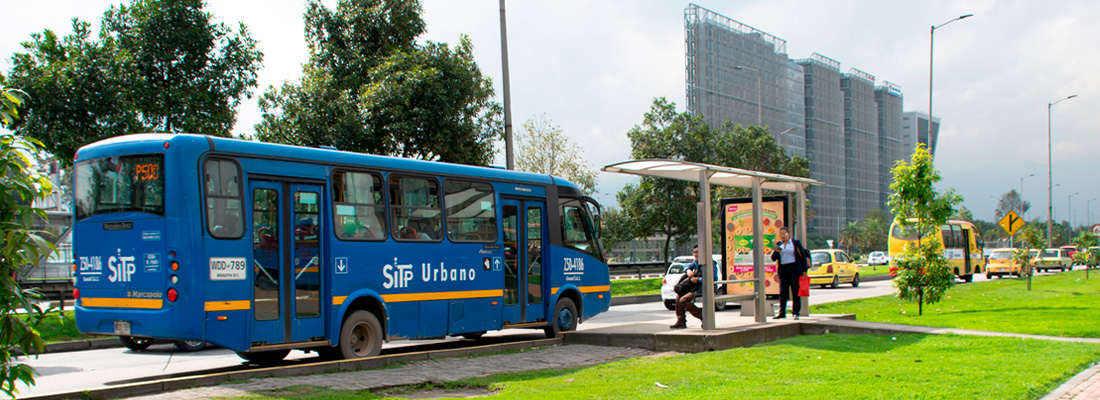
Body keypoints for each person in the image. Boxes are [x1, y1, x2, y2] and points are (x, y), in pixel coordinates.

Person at [670, 244, 716, 329]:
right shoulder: (696, 263)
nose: (695, 254)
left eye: (698, 252)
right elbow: (687, 267)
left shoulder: (710, 264)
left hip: (704, 289)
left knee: (683, 300)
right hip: (694, 288)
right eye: (694, 252)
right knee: (678, 297)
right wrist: (688, 271)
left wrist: (698, 280)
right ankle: (681, 321)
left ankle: (703, 316)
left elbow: (713, 279)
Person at [770, 226, 809, 320]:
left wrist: (804, 270)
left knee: (795, 291)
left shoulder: (795, 243)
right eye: (780, 235)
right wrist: (776, 251)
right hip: (783, 269)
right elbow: (773, 258)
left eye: (784, 234)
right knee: (783, 292)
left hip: (794, 268)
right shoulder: (779, 244)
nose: (782, 236)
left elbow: (803, 257)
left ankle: (796, 312)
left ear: (789, 234)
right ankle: (782, 312)